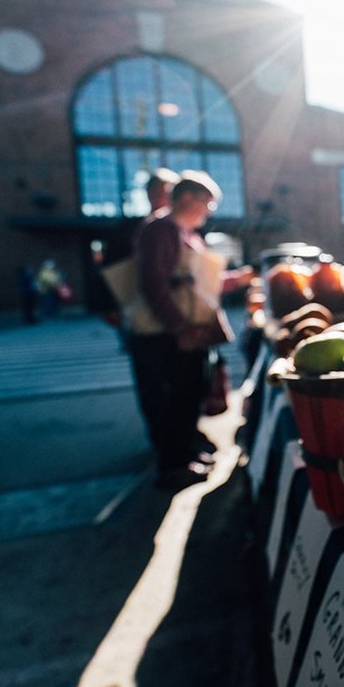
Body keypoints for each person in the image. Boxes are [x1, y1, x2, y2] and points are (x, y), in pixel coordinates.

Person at [129, 171, 253, 490]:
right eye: (207, 201)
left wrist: (235, 280)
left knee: (188, 398)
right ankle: (172, 467)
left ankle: (185, 456)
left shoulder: (186, 233)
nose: (209, 210)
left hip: (187, 334)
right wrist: (179, 326)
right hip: (166, 336)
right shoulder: (160, 229)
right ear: (186, 197)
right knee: (171, 401)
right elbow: (153, 282)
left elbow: (198, 285)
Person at [98, 168, 179, 330]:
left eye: (166, 193)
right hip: (137, 304)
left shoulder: (184, 229)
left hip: (176, 305)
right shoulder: (128, 228)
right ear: (148, 194)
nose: (161, 198)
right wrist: (107, 305)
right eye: (156, 192)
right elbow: (110, 266)